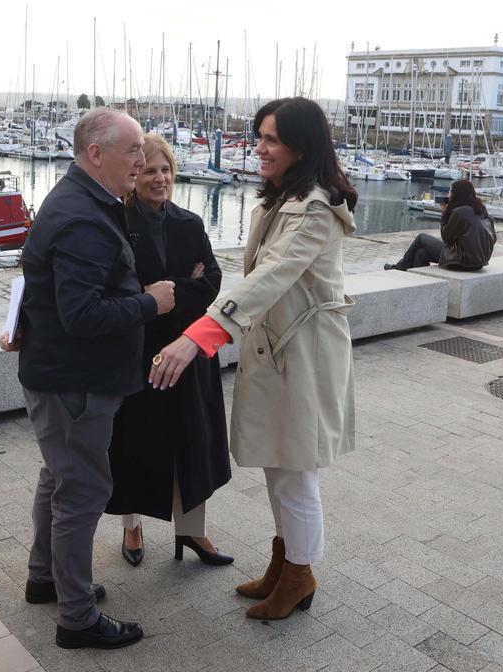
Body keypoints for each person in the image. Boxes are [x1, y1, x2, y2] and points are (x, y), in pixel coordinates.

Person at [150, 96, 358, 621]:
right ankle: (285, 564)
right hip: (279, 352)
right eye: (259, 136)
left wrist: (201, 335)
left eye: (271, 139)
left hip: (302, 357)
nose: (259, 148)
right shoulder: (278, 202)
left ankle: (300, 574)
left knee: (295, 472)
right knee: (278, 464)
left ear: (300, 147)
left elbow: (273, 275)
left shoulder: (316, 210)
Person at [12, 108, 175, 650]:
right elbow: (82, 314)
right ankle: (76, 618)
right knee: (81, 492)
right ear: (94, 154)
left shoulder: (81, 201)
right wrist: (149, 303)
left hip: (60, 375)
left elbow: (43, 289)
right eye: (132, 151)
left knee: (59, 479)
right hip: (75, 383)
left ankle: (47, 579)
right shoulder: (83, 216)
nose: (141, 160)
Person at [106, 134, 233, 569]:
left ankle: (192, 531)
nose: (159, 178)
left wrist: (163, 292)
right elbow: (117, 291)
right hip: (137, 353)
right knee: (133, 444)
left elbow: (212, 281)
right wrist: (172, 289)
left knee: (193, 442)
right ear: (134, 173)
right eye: (149, 170)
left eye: (166, 170)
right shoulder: (116, 223)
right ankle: (132, 525)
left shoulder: (190, 223)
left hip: (189, 350)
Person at [385, 179, 496, 271]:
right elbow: (493, 238)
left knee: (421, 238)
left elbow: (447, 238)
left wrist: (444, 212)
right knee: (421, 253)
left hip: (463, 261)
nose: (448, 194)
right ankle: (418, 280)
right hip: (479, 262)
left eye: (450, 192)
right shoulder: (482, 211)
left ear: (457, 194)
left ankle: (399, 267)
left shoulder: (460, 212)